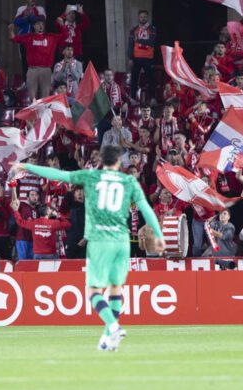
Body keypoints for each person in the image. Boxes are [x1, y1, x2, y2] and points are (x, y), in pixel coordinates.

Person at [14, 144, 165, 352]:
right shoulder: (129, 180)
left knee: (93, 290)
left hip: (100, 239)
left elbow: (58, 174)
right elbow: (147, 209)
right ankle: (109, 337)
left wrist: (28, 167)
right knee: (115, 288)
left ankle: (113, 325)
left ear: (102, 161)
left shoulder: (91, 177)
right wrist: (159, 235)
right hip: (121, 239)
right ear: (120, 163)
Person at [9, 18, 60, 101]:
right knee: (32, 96)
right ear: (34, 26)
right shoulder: (29, 37)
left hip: (46, 69)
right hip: (32, 69)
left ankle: (43, 113)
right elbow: (14, 39)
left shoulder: (51, 37)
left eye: (42, 24)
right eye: (38, 24)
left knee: (45, 96)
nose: (41, 26)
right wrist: (11, 30)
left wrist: (61, 26)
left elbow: (65, 37)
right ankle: (34, 112)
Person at [128, 10, 158, 102]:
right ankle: (132, 98)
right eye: (141, 17)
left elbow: (151, 42)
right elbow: (130, 45)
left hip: (148, 58)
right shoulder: (134, 30)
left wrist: (139, 41)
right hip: (136, 58)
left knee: (150, 79)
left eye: (144, 16)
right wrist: (130, 58)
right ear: (138, 17)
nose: (143, 18)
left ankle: (152, 98)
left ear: (147, 17)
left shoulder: (152, 29)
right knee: (134, 79)